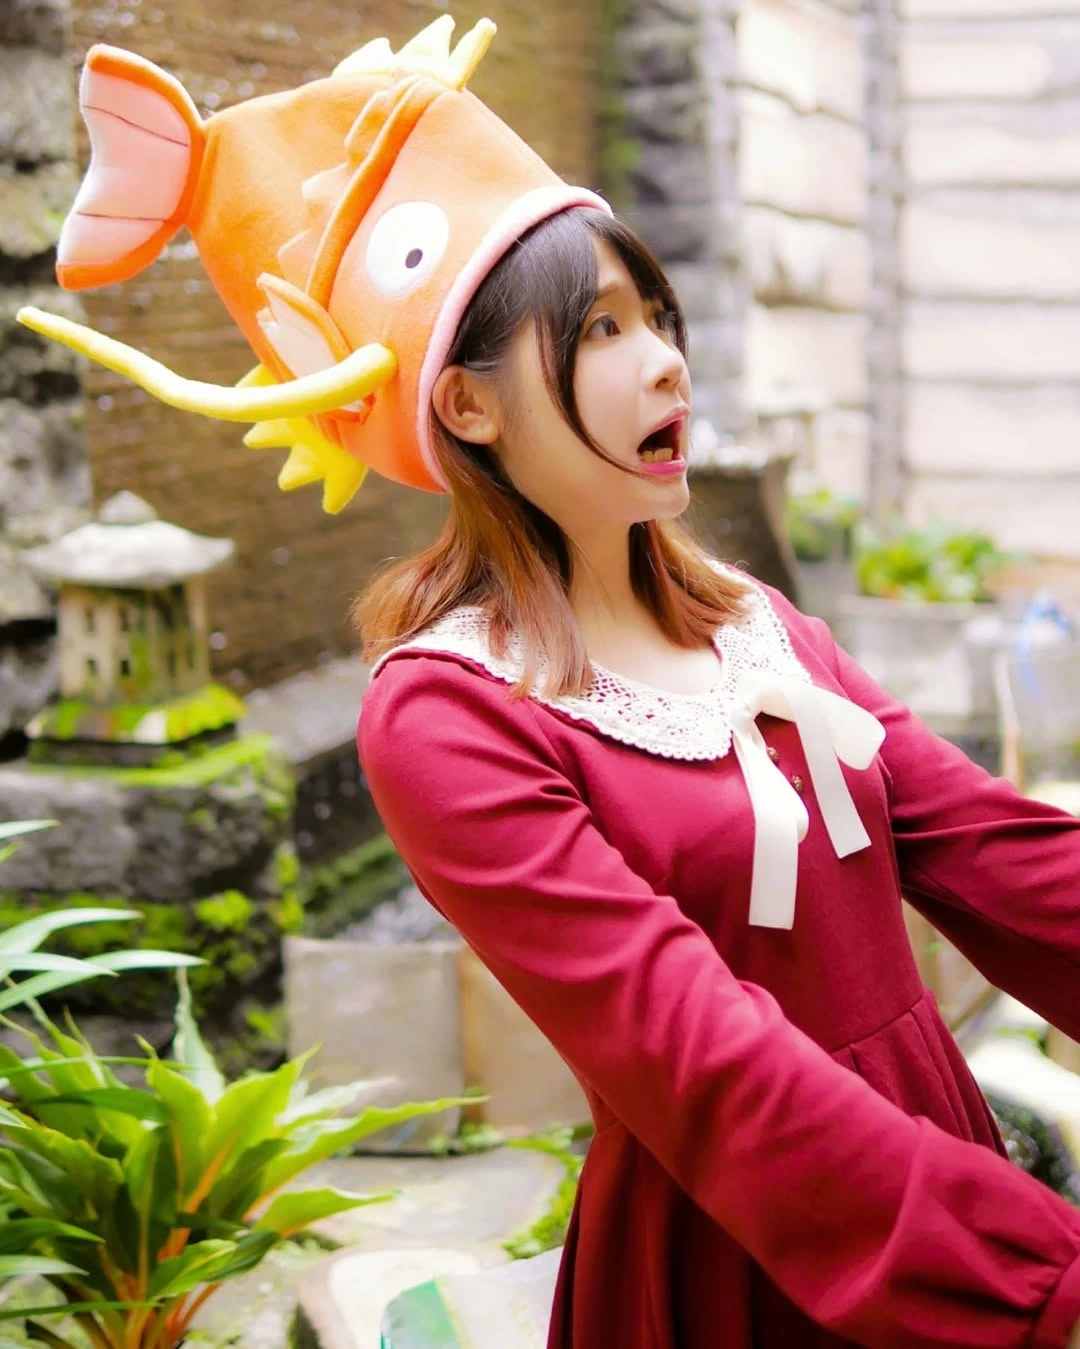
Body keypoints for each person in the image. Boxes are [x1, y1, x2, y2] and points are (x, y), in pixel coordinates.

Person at [24, 16, 1080, 1348]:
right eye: (601, 331)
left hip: (934, 1175)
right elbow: (693, 1051)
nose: (667, 360)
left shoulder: (757, 626)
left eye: (659, 319)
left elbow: (1000, 853)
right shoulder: (451, 713)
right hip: (741, 1251)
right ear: (465, 404)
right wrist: (1033, 1275)